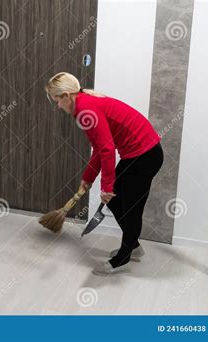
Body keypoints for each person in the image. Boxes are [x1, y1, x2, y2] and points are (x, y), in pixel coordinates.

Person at [45, 72, 164, 276]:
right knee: (118, 202)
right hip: (137, 155)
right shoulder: (83, 106)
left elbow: (107, 149)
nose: (57, 106)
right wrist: (88, 177)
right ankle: (132, 246)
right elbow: (100, 148)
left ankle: (123, 259)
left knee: (130, 208)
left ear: (66, 96)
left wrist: (106, 187)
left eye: (57, 100)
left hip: (144, 155)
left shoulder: (84, 108)